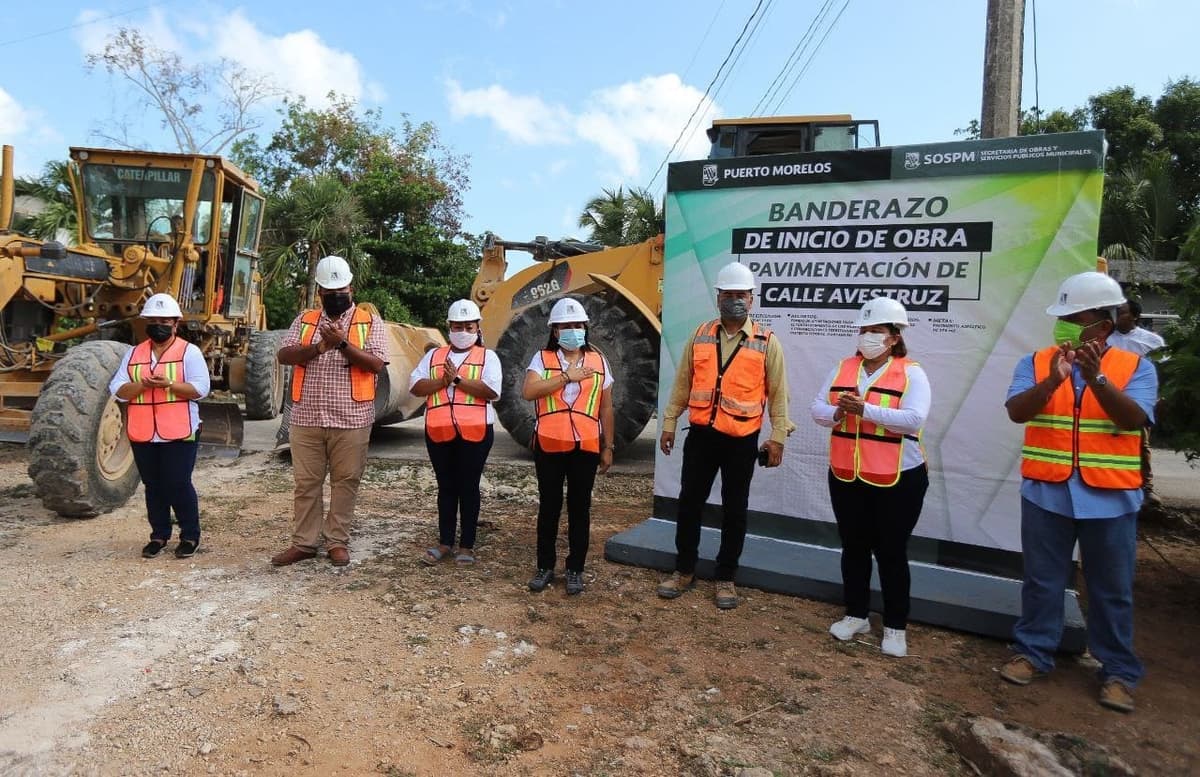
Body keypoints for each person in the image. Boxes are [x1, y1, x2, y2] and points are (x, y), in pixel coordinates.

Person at [1001, 271, 1157, 714]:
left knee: (1111, 588)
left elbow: (1134, 420)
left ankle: (1118, 672)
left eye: (1075, 317)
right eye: (1063, 316)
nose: (1065, 324)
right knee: (1042, 580)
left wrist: (1098, 379)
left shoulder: (1135, 368)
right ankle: (1033, 652)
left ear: (1103, 326)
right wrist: (1053, 381)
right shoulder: (1035, 362)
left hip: (1109, 498)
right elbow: (1016, 411)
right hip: (1047, 492)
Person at [656, 261, 794, 610]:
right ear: (717, 297)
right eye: (728, 294)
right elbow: (683, 383)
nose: (734, 300)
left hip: (741, 440)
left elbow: (779, 394)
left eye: (741, 295)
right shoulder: (700, 334)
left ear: (752, 299)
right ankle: (684, 570)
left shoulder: (766, 342)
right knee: (689, 505)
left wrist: (778, 436)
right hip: (702, 436)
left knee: (735, 510)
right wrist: (670, 421)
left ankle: (726, 577)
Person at [810, 298, 930, 657]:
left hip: (898, 479)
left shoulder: (912, 372)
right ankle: (856, 614)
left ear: (894, 338)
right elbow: (817, 409)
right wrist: (837, 411)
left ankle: (895, 627)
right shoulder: (843, 367)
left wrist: (866, 409)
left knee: (891, 552)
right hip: (847, 475)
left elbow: (914, 419)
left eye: (875, 331)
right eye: (864, 330)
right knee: (854, 548)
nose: (867, 337)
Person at [270, 255, 387, 568]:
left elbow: (377, 364)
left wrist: (343, 344)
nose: (336, 294)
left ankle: (337, 541)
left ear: (351, 287)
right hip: (307, 417)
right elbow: (284, 354)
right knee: (305, 483)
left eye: (341, 288)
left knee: (345, 481)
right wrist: (319, 347)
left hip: (352, 418)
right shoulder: (306, 321)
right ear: (319, 291)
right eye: (329, 289)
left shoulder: (368, 321)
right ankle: (304, 543)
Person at [523, 297, 614, 596]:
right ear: (554, 330)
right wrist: (565, 377)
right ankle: (545, 566)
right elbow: (529, 391)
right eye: (565, 326)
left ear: (585, 328)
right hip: (549, 444)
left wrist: (608, 446)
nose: (572, 330)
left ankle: (575, 568)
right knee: (549, 507)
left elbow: (606, 408)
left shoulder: (599, 362)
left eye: (577, 325)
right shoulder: (542, 360)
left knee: (580, 509)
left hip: (585, 446)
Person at [108, 293, 210, 559]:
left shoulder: (189, 352)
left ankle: (190, 535)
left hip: (180, 430)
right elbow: (118, 390)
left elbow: (201, 389)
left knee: (177, 483)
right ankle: (159, 535)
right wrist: (143, 384)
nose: (159, 325)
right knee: (153, 485)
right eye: (153, 320)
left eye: (165, 320)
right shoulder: (133, 353)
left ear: (176, 323)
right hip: (143, 431)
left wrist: (169, 385)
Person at [409, 299, 501, 566]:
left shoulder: (488, 357)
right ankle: (445, 542)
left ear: (477, 328)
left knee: (469, 487)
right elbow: (415, 387)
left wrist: (457, 380)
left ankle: (467, 545)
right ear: (449, 327)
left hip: (476, 432)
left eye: (467, 326)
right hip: (439, 431)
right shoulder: (434, 356)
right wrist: (442, 381)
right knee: (446, 487)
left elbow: (492, 391)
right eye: (457, 326)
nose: (462, 330)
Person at [1108, 298, 1166, 509]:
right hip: (1106, 396)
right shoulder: (1105, 339)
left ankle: (1146, 487)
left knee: (1140, 442)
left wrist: (1160, 397)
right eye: (1116, 312)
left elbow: (1163, 371)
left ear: (1134, 316)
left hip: (1138, 398)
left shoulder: (1151, 341)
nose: (1117, 316)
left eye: (1122, 312)